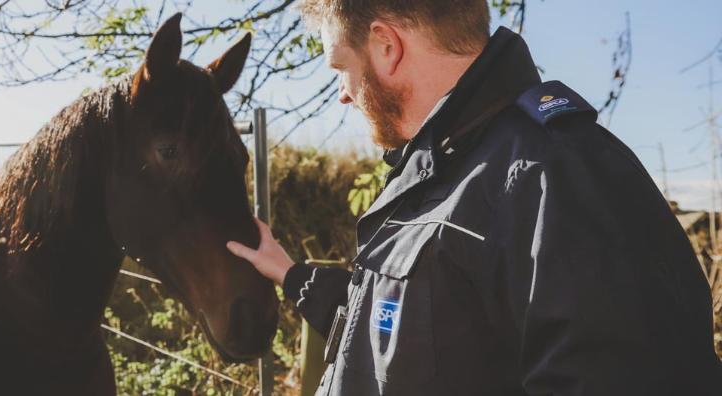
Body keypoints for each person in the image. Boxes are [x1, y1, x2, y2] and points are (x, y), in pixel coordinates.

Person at [225, 0, 722, 394]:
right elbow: (403, 336)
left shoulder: (556, 175)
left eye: (340, 65)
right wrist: (292, 275)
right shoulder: (443, 170)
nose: (343, 92)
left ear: (385, 46)